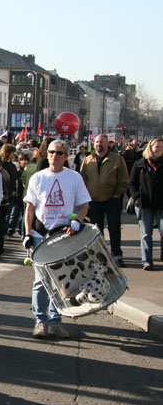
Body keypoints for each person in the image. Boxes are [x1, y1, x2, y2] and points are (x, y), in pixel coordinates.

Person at [23, 139, 90, 339]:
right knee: (41, 281)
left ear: (66, 156)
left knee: (61, 281)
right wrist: (27, 233)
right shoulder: (38, 177)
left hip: (63, 234)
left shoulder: (74, 177)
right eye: (51, 152)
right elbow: (30, 208)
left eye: (59, 153)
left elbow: (84, 205)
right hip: (40, 234)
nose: (54, 155)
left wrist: (77, 221)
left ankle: (55, 321)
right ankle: (40, 321)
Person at [80, 134, 129, 267]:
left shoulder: (117, 160)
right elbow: (82, 179)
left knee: (114, 228)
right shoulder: (88, 160)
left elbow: (124, 179)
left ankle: (117, 255)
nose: (98, 145)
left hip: (111, 199)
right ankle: (99, 256)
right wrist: (85, 197)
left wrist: (117, 195)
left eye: (101, 142)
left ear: (108, 144)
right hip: (94, 200)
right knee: (96, 230)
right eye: (96, 142)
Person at [128, 137, 163, 270]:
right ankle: (147, 260)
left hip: (161, 204)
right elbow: (131, 184)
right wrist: (137, 197)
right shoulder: (139, 164)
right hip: (144, 203)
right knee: (146, 234)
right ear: (150, 148)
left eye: (161, 147)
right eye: (157, 146)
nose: (159, 149)